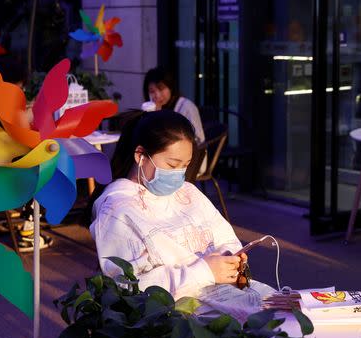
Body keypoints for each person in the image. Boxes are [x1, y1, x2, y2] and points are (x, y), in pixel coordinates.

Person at [90, 110, 245, 299]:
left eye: (185, 165)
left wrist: (231, 257)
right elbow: (129, 288)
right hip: (176, 314)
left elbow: (224, 236)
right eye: (172, 165)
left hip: (221, 293)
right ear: (140, 155)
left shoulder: (188, 191)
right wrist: (205, 272)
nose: (179, 175)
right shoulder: (117, 210)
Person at [142, 67, 205, 145]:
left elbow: (198, 140)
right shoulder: (152, 109)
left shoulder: (186, 107)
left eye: (161, 89)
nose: (157, 95)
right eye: (152, 91)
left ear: (170, 88)